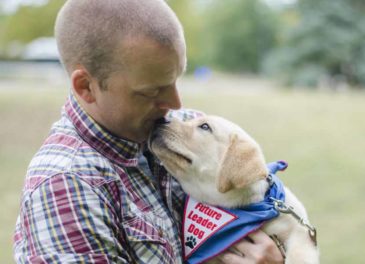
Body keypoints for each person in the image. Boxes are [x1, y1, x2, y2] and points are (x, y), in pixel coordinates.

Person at [13, 0, 284, 263]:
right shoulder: (67, 185)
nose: (176, 105)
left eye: (175, 80)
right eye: (151, 91)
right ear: (86, 86)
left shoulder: (177, 128)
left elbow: (276, 219)